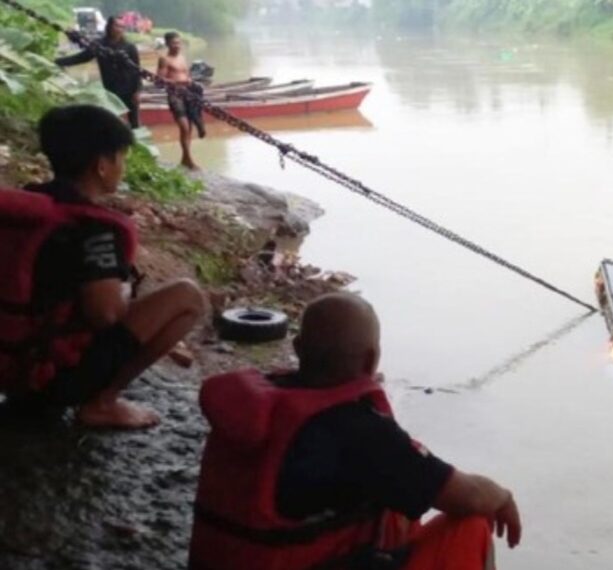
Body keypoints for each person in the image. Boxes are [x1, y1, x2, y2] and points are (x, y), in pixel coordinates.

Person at [190, 293, 522, 570]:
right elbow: (469, 497)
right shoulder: (361, 433)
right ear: (371, 359)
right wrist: (503, 496)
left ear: (298, 347)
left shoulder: (257, 408)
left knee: (401, 499)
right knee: (471, 524)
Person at [0, 105, 205, 429]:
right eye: (121, 157)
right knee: (187, 297)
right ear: (102, 165)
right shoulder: (92, 229)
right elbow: (106, 314)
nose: (122, 166)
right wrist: (124, 289)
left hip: (11, 366)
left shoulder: (30, 209)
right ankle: (102, 403)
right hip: (49, 377)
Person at [56, 17, 143, 128]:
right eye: (117, 26)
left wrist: (138, 91)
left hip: (129, 89)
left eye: (122, 27)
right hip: (111, 89)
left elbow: (137, 70)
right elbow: (82, 57)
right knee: (112, 120)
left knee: (134, 122)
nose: (119, 29)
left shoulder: (129, 47)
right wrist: (58, 62)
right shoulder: (100, 45)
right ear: (109, 27)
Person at [156, 31, 203, 169]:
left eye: (178, 43)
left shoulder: (182, 57)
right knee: (184, 127)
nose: (177, 46)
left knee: (189, 128)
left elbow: (186, 75)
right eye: (174, 43)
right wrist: (176, 83)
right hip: (175, 96)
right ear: (167, 44)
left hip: (188, 94)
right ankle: (188, 159)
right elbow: (159, 81)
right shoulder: (164, 59)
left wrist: (189, 81)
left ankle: (185, 158)